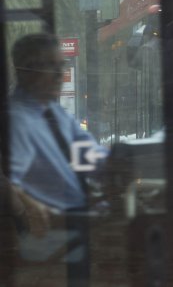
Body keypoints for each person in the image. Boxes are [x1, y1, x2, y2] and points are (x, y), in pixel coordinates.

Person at [8, 33, 108, 285]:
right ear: (26, 70)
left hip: (82, 224)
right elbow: (8, 185)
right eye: (49, 66)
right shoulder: (16, 121)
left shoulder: (54, 112)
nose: (58, 74)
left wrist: (129, 161)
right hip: (54, 239)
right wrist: (30, 207)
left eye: (60, 66)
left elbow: (93, 158)